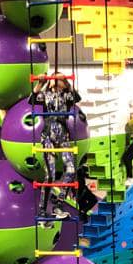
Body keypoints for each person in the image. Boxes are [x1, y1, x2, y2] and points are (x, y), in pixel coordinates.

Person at [30, 74, 82, 219]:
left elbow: (77, 98)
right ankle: (42, 209)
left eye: (60, 80)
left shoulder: (67, 95)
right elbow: (32, 100)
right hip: (48, 137)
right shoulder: (45, 94)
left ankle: (59, 205)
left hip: (63, 136)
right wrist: (41, 83)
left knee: (71, 170)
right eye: (55, 78)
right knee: (50, 176)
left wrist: (66, 81)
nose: (57, 81)